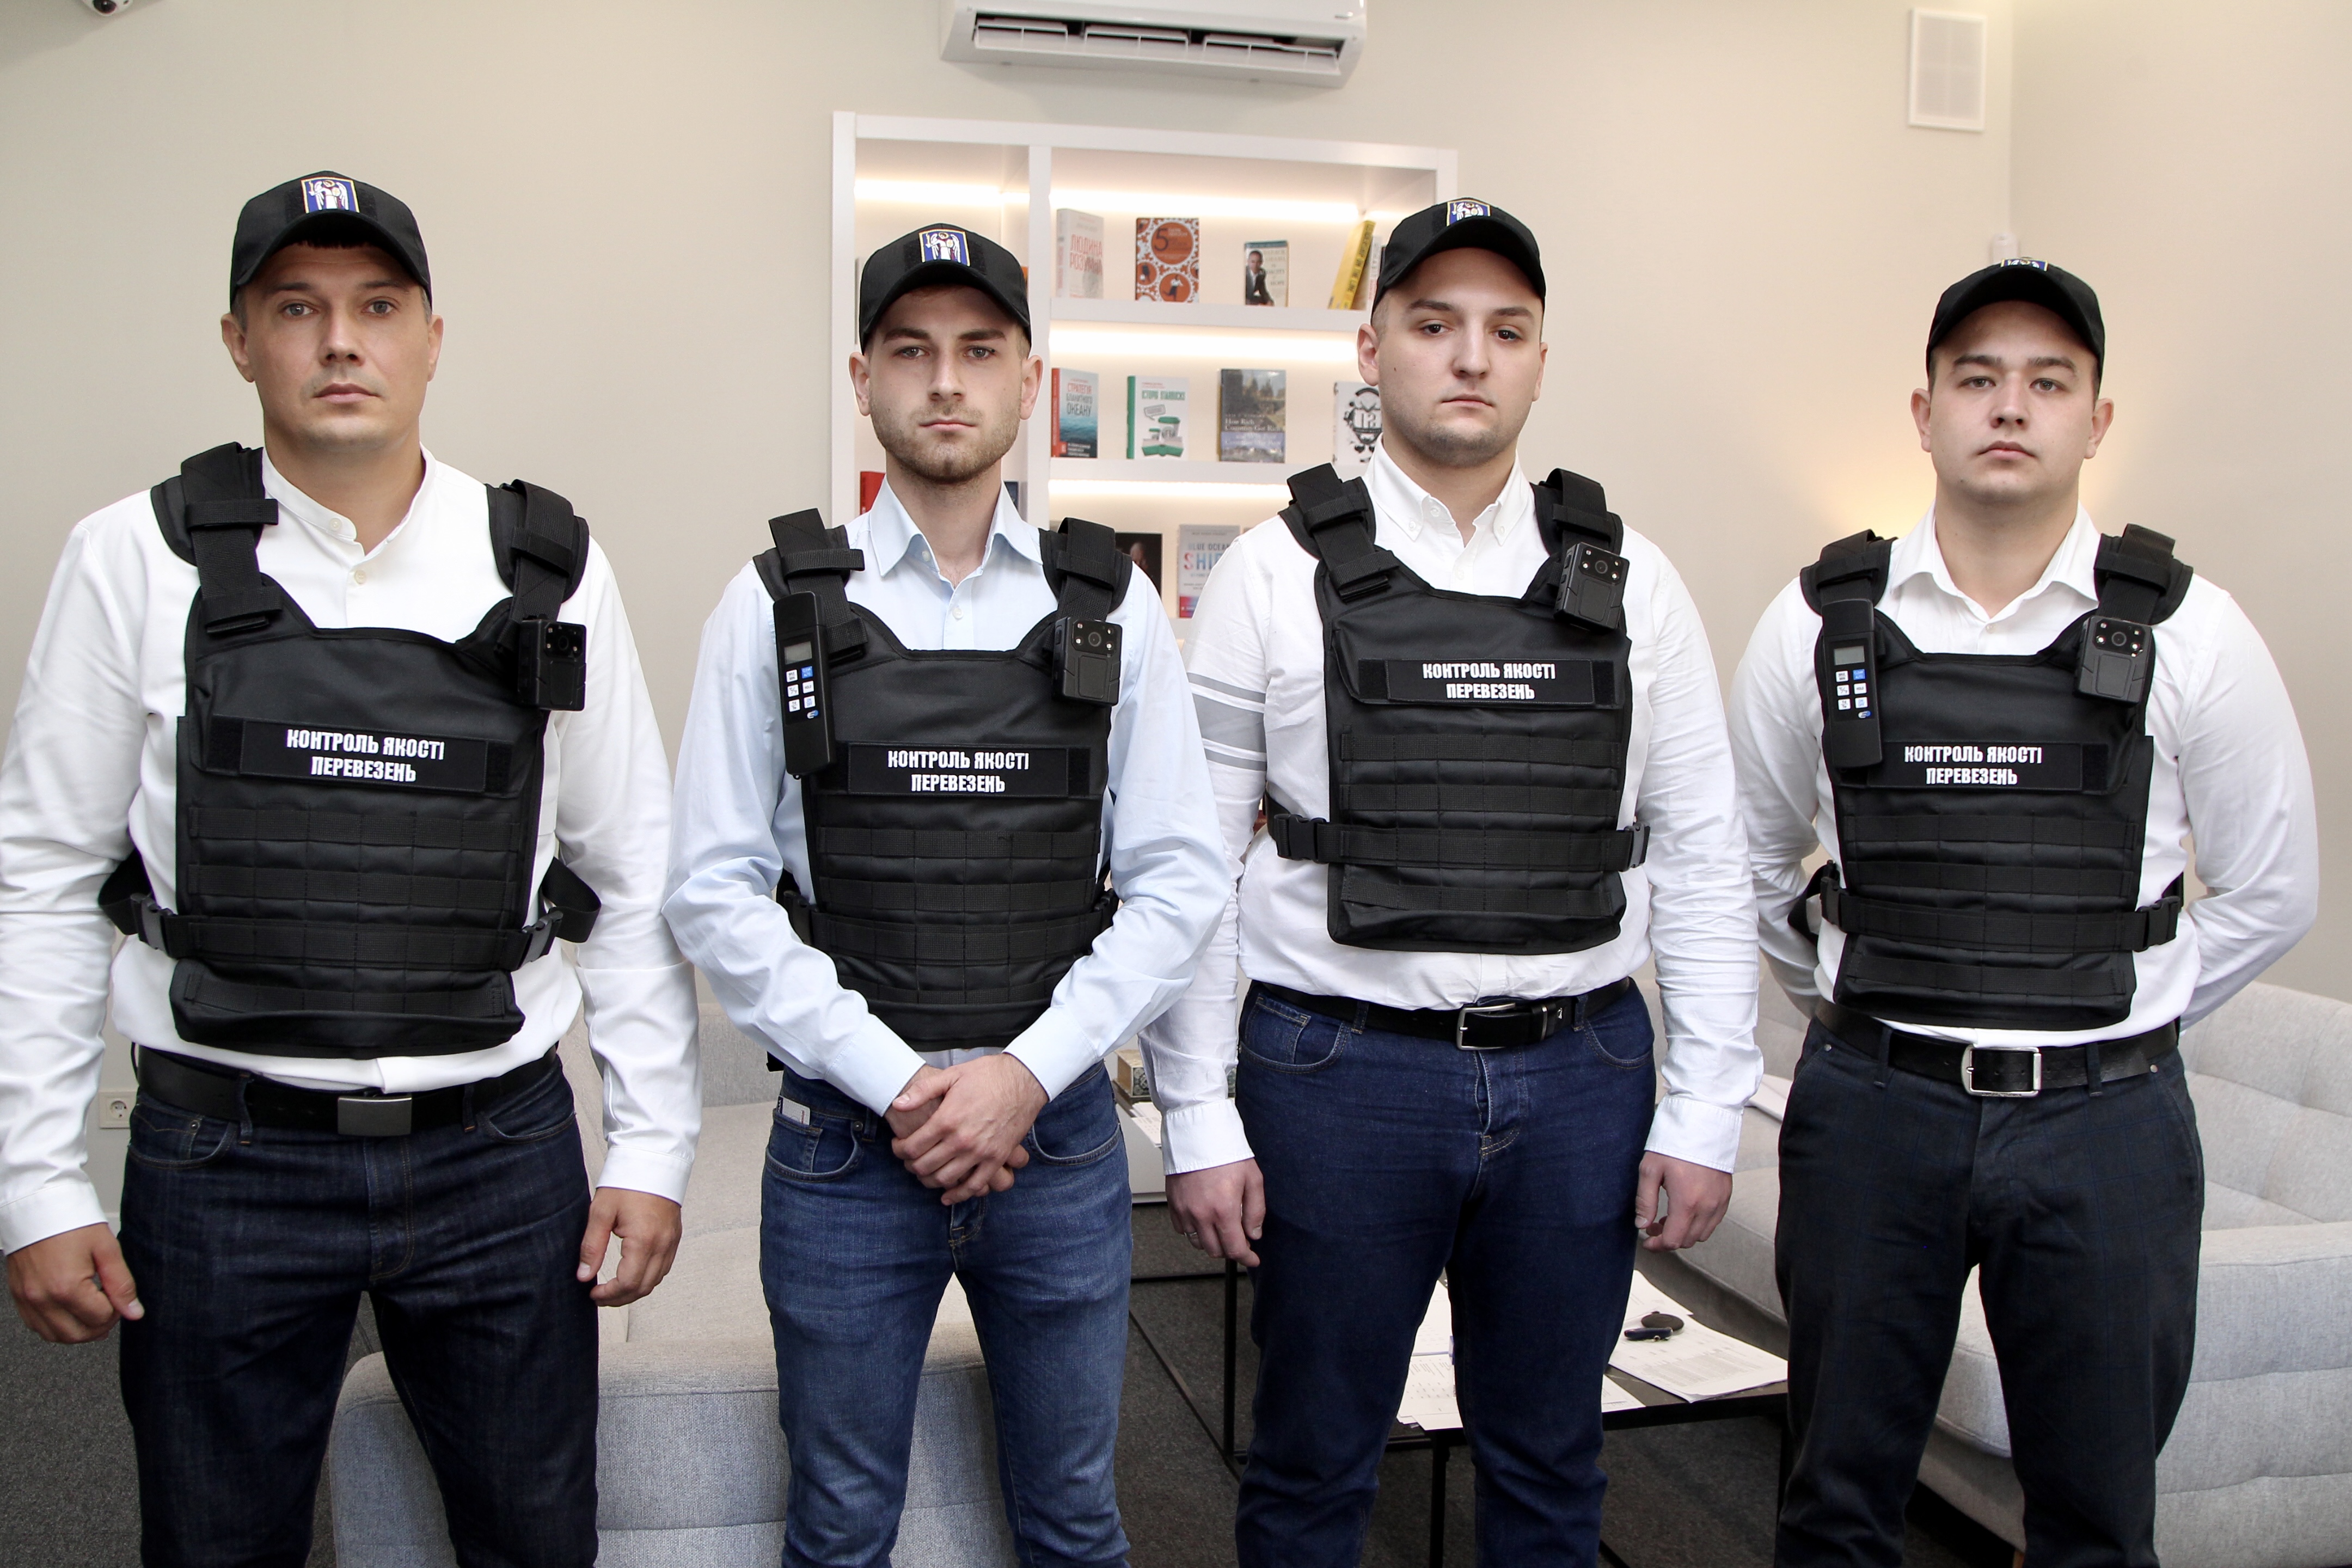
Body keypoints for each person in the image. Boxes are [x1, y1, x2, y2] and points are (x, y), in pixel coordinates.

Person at [0, 171, 700, 1567]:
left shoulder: (549, 567)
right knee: (215, 1544)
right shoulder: (133, 557)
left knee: (534, 1542)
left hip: (499, 1155)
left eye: (377, 308)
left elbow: (627, 876)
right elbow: (46, 879)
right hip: (224, 1156)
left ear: (432, 339)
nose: (339, 342)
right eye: (296, 308)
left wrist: (653, 1149)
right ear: (238, 339)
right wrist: (38, 1182)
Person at [1146, 197, 1760, 1567]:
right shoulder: (1270, 573)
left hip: (1581, 1077)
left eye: (1506, 329)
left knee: (1550, 1465)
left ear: (1541, 360)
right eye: (1433, 325)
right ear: (1373, 352)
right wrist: (1197, 1108)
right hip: (1337, 1077)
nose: (1471, 356)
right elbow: (1194, 865)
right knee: (1313, 1464)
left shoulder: (1636, 583)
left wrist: (1710, 1105)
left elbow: (1705, 855)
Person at [1729, 259, 2318, 1567]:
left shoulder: (2193, 631)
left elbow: (2275, 891)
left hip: (2105, 1128)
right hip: (1875, 1113)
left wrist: (2118, 1006)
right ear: (1925, 410)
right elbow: (1754, 864)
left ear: (2095, 420)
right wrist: (1853, 1001)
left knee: (2097, 1522)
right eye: (1978, 378)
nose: (2010, 406)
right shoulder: (1818, 623)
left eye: (2048, 382)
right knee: (1835, 1507)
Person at [663, 222, 1227, 1568]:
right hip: (849, 1147)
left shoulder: (1111, 604)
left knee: (1075, 1522)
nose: (946, 381)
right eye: (912, 352)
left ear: (1030, 381)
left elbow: (1177, 878)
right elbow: (715, 890)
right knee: (841, 1526)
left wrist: (1023, 1077)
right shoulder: (777, 606)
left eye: (980, 350)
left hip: (1059, 1138)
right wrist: (903, 1086)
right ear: (864, 379)